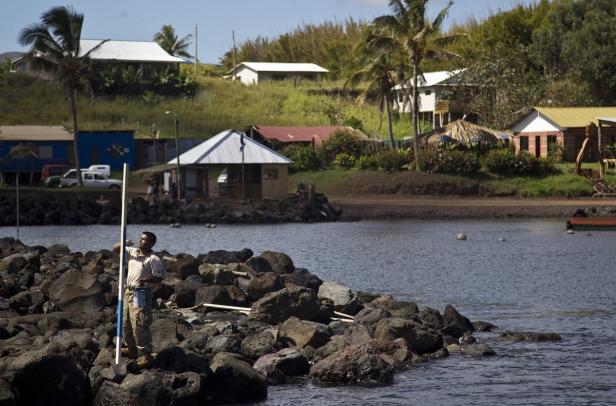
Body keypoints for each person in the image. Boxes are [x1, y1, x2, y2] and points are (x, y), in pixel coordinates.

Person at [113, 231, 164, 367]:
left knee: (139, 323)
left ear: (152, 243)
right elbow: (115, 249)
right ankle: (132, 349)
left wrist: (147, 279)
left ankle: (146, 354)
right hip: (128, 291)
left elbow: (159, 277)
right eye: (140, 239)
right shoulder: (133, 252)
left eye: (145, 240)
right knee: (125, 322)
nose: (141, 241)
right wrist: (124, 243)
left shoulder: (153, 259)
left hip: (142, 293)